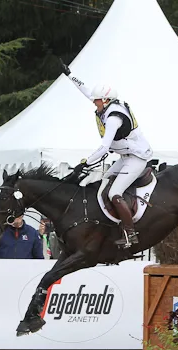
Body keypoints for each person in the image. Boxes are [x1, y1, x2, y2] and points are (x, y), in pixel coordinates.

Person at [61, 61, 153, 248]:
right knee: (105, 179)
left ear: (105, 100)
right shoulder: (106, 104)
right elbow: (87, 91)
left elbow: (104, 148)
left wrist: (85, 163)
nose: (94, 103)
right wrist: (70, 75)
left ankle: (130, 233)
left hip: (137, 158)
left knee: (114, 193)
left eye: (97, 100)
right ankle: (114, 223)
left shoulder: (113, 119)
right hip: (126, 156)